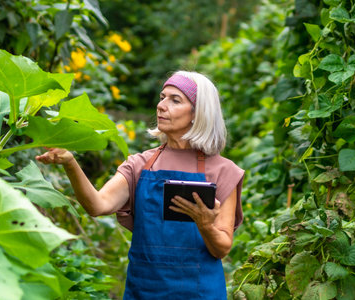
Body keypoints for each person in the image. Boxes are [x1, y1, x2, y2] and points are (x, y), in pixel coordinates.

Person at [36, 70, 244, 299]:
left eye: (175, 100)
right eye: (162, 97)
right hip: (144, 289)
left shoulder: (223, 171)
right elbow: (98, 205)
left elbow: (222, 248)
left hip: (199, 291)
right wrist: (69, 162)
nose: (162, 105)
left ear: (198, 114)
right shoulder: (140, 165)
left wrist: (205, 225)